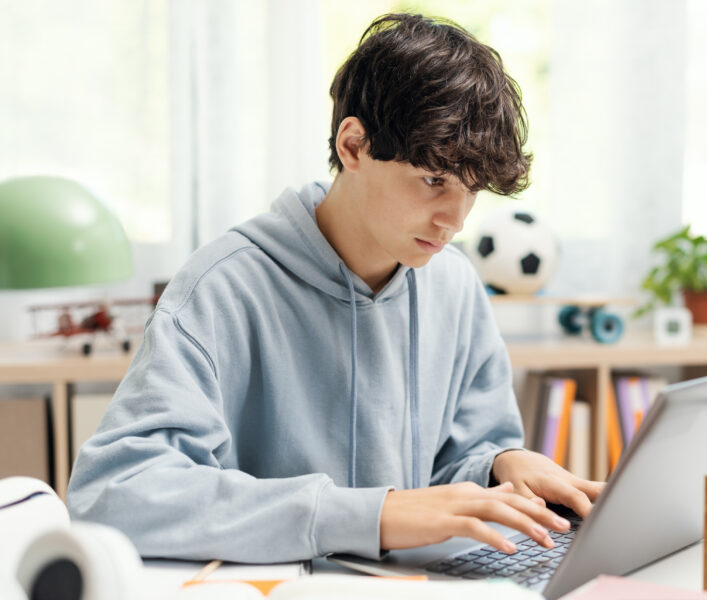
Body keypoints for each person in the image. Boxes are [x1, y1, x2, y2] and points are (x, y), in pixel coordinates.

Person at [67, 12, 602, 563]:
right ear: (353, 146)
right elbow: (114, 494)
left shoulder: (455, 285)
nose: (455, 220)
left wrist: (499, 464)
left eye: (471, 190)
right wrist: (363, 515)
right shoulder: (222, 288)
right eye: (433, 180)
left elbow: (456, 460)